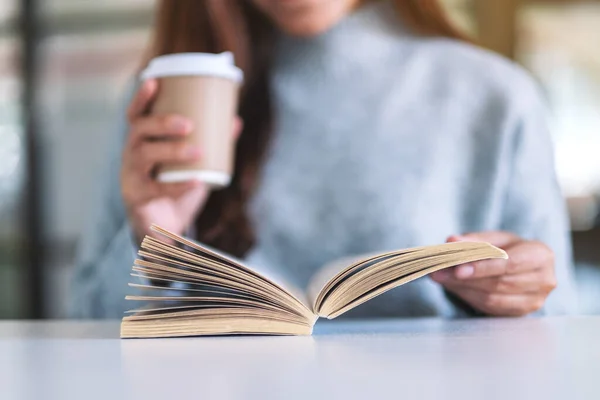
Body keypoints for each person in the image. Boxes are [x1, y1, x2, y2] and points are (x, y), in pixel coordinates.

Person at [71, 0, 577, 319]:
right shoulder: (166, 101)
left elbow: (557, 325)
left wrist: (515, 295)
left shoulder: (495, 96)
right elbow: (86, 321)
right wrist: (153, 242)